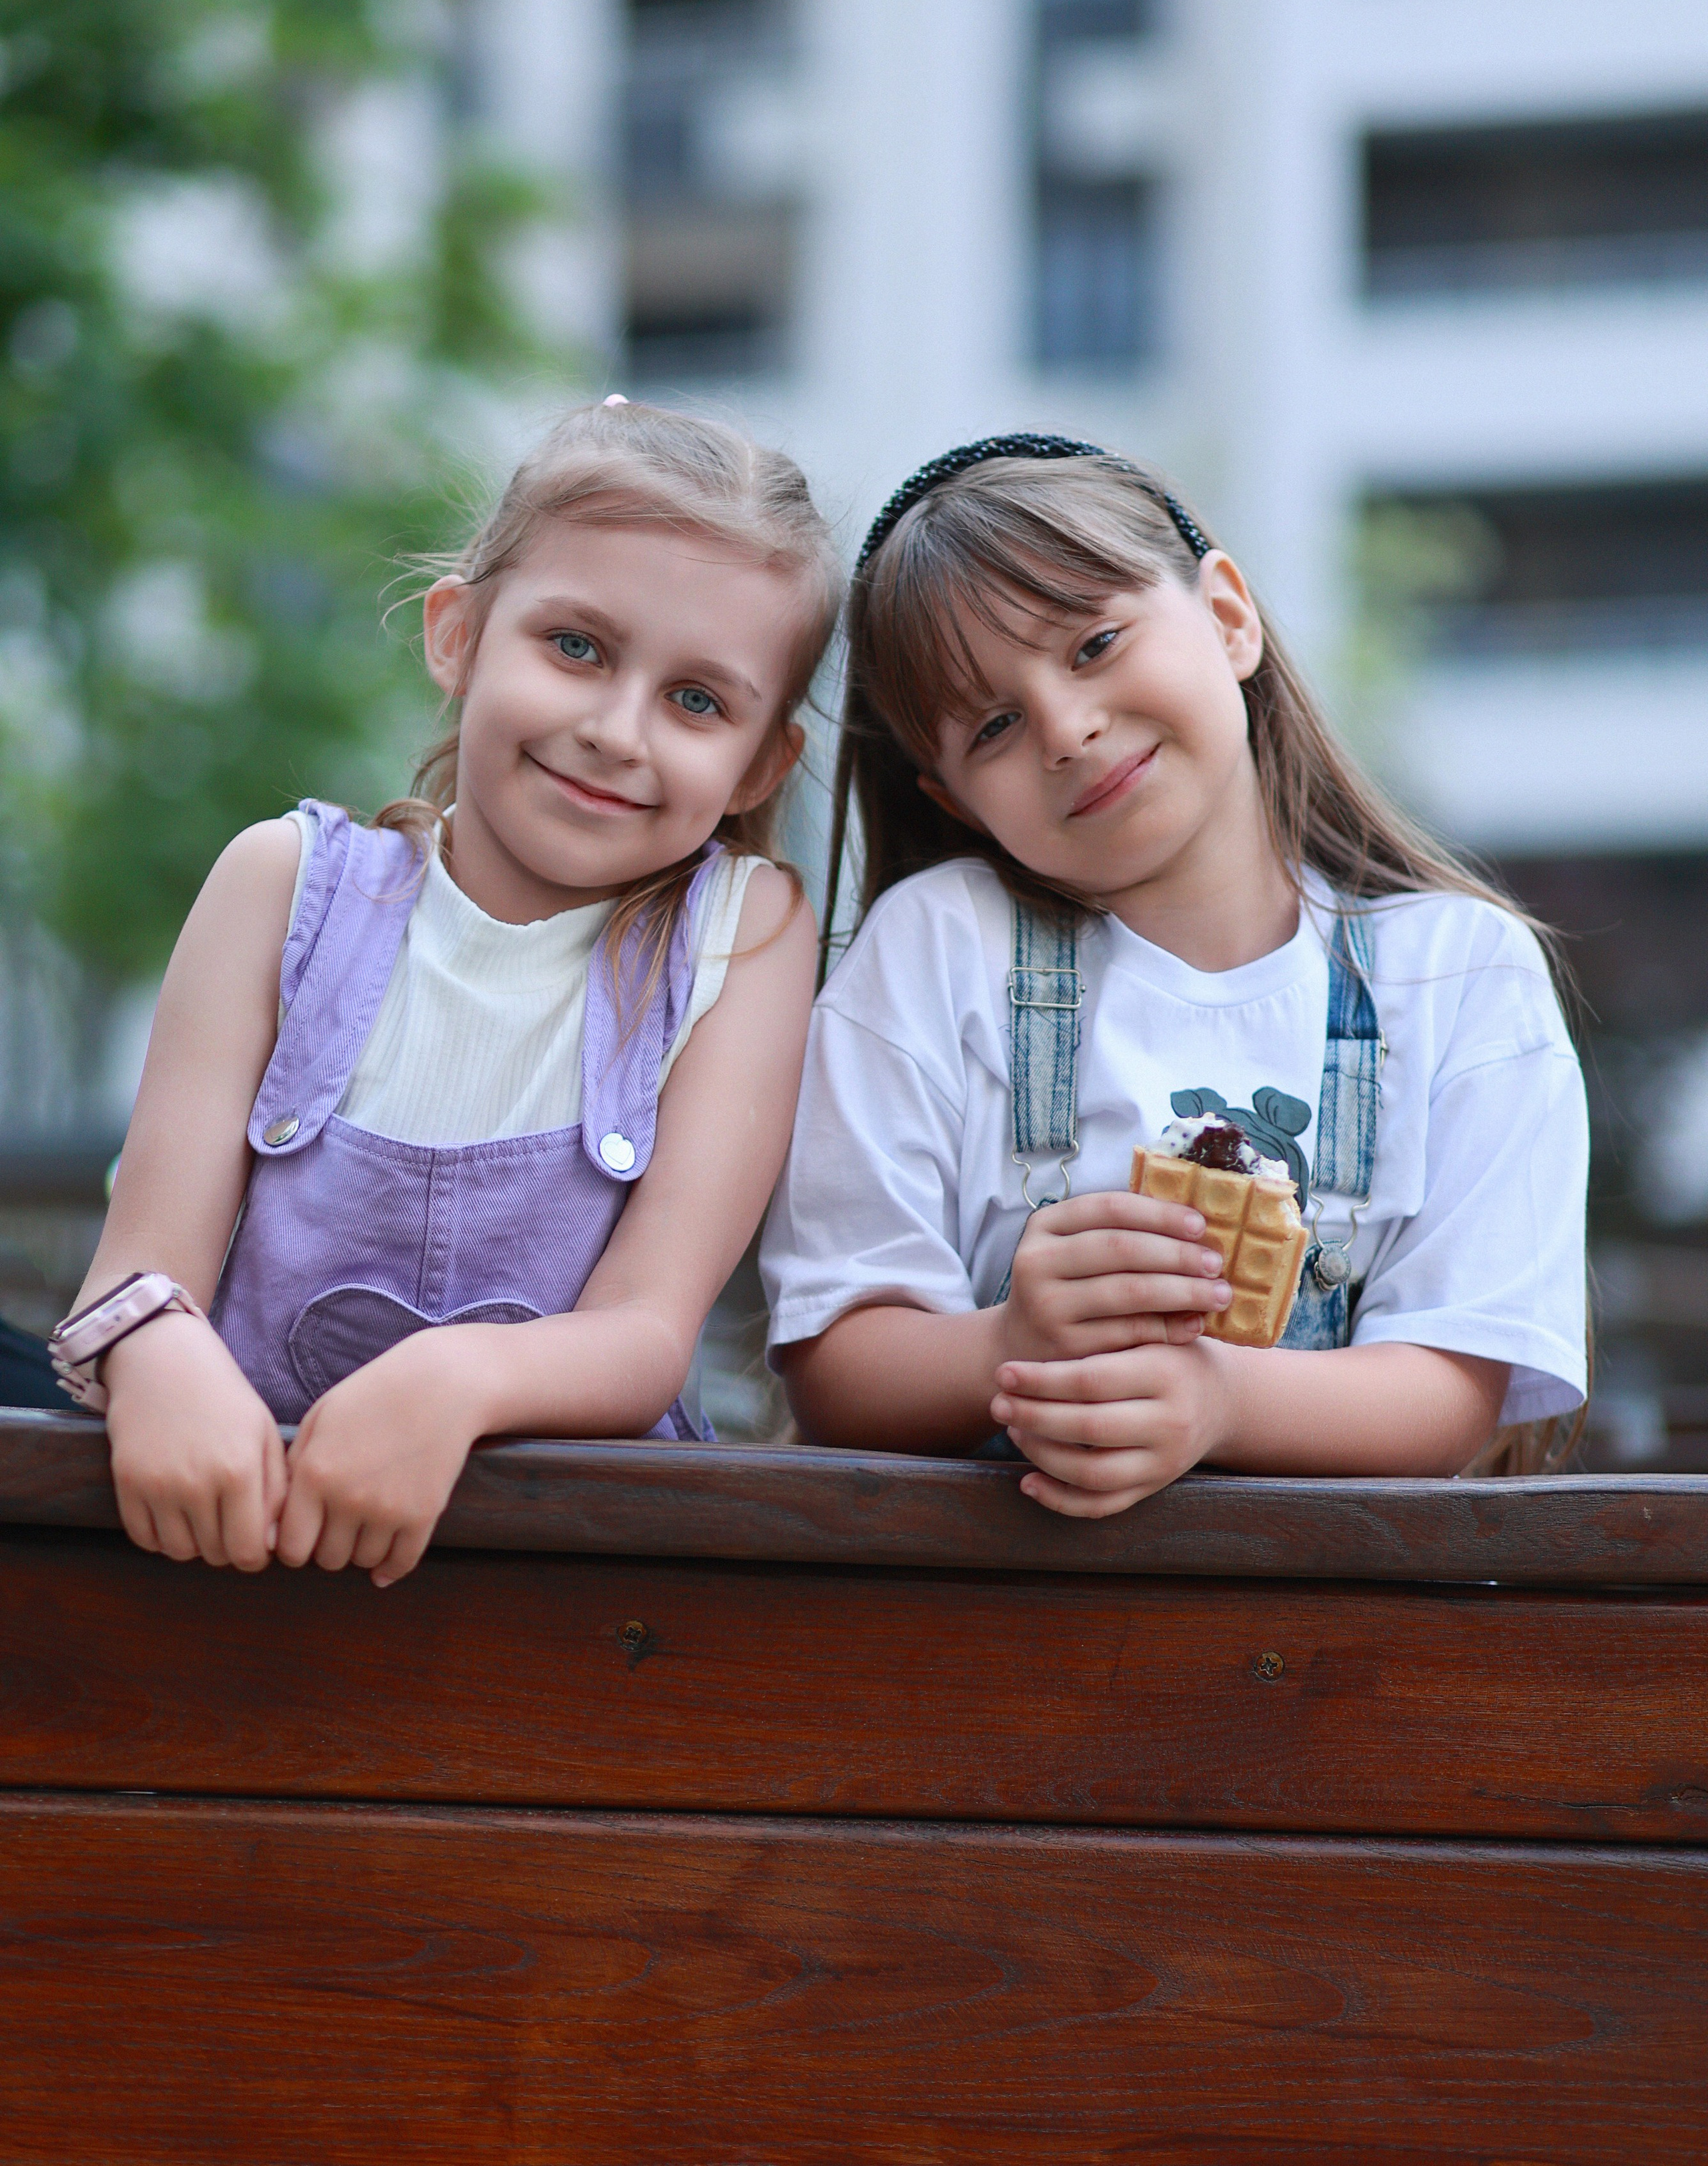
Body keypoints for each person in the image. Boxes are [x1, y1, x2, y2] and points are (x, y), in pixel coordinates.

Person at [55, 400, 841, 1582]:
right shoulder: (281, 884)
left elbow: (644, 1336)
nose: (618, 731)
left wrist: (453, 1380)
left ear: (761, 764)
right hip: (223, 1571)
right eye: (576, 646)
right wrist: (158, 1357)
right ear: (458, 635)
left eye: (698, 700)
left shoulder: (749, 933)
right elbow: (135, 1275)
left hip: (576, 1600)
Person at [761, 434, 1588, 1518]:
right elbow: (837, 1366)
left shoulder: (1460, 976)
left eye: (1096, 642)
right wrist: (1007, 1342)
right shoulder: (937, 950)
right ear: (956, 799)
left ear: (1229, 617)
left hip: (1338, 1652)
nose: (1067, 727)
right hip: (983, 1639)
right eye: (995, 724)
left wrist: (1218, 1402)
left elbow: (1454, 1389)